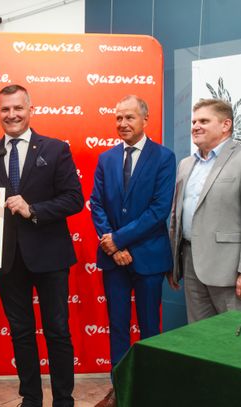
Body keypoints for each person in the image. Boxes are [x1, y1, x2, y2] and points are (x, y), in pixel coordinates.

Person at [0, 84, 83, 407]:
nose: (12, 115)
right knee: (21, 332)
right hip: (7, 260)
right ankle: (31, 398)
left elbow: (74, 199)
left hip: (50, 257)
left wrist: (33, 209)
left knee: (57, 331)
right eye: (5, 109)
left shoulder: (56, 149)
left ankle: (63, 399)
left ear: (30, 109)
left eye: (18, 108)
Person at [90, 95, 176, 407]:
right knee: (117, 327)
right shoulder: (106, 159)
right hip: (114, 259)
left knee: (150, 327)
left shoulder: (164, 157)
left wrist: (118, 239)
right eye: (118, 118)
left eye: (129, 117)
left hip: (149, 257)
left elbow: (159, 210)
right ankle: (121, 389)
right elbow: (96, 204)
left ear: (145, 119)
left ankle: (149, 390)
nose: (123, 123)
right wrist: (113, 247)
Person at [168, 98, 241, 322]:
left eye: (203, 121)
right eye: (193, 122)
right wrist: (175, 264)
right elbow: (176, 217)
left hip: (229, 271)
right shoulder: (185, 164)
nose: (195, 126)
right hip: (191, 265)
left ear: (226, 125)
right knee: (199, 336)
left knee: (234, 336)